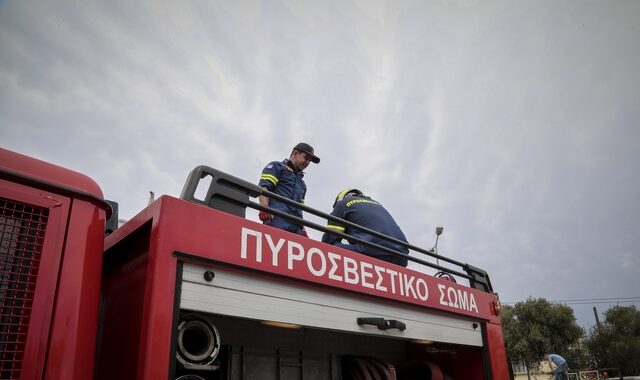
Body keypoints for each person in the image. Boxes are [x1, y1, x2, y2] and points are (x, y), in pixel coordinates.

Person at [321, 189, 409, 266]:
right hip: (402, 256)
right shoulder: (377, 204)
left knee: (332, 248)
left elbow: (329, 240)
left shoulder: (342, 204)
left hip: (373, 250)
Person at [258, 142, 320, 235]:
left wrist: (303, 229)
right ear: (295, 153)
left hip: (296, 228)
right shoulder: (277, 166)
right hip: (277, 221)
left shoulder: (302, 184)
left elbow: (300, 209)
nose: (307, 163)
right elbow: (264, 187)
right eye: (306, 158)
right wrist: (264, 207)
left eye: (309, 161)